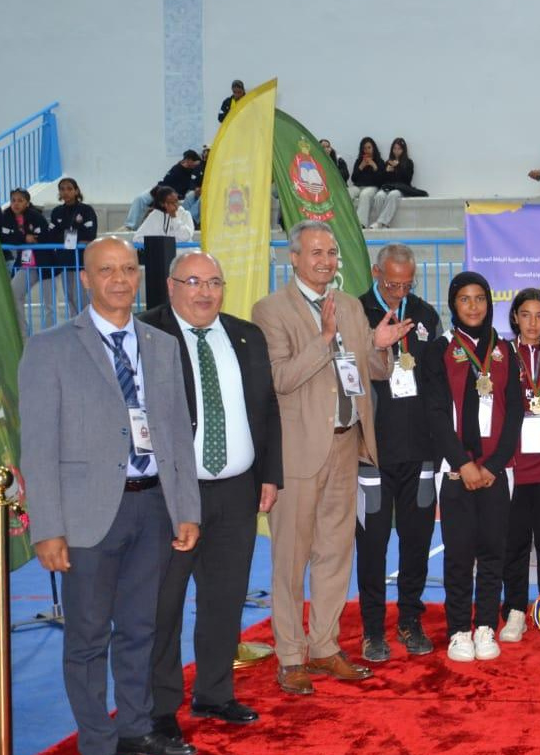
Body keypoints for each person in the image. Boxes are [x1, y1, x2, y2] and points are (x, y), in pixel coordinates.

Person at [18, 237, 201, 755]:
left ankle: (136, 728)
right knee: (87, 638)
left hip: (154, 509)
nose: (119, 280)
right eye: (106, 270)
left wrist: (186, 509)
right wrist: (48, 527)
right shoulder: (49, 347)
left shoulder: (161, 346)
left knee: (141, 629)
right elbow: (38, 446)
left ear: (139, 275)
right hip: (86, 518)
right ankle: (96, 741)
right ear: (86, 277)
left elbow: (175, 437)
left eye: (127, 269)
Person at [252, 221, 411, 694]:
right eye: (315, 252)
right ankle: (290, 655)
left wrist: (379, 349)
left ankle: (323, 646)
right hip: (298, 452)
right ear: (294, 257)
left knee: (335, 555)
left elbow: (367, 371)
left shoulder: (349, 306)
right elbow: (279, 378)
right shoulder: (270, 311)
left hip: (347, 445)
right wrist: (323, 341)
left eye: (331, 253)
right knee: (290, 559)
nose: (325, 261)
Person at [142, 252, 281, 743]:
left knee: (224, 599)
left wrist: (271, 473)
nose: (205, 292)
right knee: (164, 605)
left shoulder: (246, 334)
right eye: (194, 282)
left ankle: (215, 692)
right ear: (172, 285)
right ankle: (158, 708)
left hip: (239, 489)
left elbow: (266, 408)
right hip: (172, 496)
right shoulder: (147, 334)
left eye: (215, 282)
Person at [422, 272, 523, 662]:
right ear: (454, 304)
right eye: (465, 299)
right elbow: (434, 414)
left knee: (493, 552)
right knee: (459, 555)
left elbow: (514, 412)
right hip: (455, 470)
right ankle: (459, 630)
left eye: (480, 298)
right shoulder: (439, 350)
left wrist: (494, 465)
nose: (474, 306)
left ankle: (485, 626)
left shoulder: (505, 351)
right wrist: (463, 463)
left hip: (496, 471)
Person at [355, 244, 442, 662]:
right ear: (376, 273)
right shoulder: (354, 312)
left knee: (417, 541)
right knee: (372, 545)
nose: (397, 291)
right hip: (371, 452)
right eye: (391, 283)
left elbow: (437, 382)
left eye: (406, 283)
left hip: (420, 451)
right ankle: (373, 630)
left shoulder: (425, 314)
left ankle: (410, 619)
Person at [499, 288, 540, 643]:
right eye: (526, 314)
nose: (532, 322)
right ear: (514, 317)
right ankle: (514, 610)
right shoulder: (501, 356)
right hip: (514, 468)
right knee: (515, 544)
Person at [42, 177, 97, 318]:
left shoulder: (86, 210)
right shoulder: (57, 212)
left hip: (82, 261)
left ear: (76, 191)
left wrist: (65, 234)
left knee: (82, 298)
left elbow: (90, 234)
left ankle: (91, 327)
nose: (65, 192)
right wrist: (73, 234)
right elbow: (51, 235)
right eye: (62, 189)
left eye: (69, 188)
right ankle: (76, 329)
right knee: (70, 298)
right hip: (65, 260)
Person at [0, 187, 47, 334]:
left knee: (50, 303)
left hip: (46, 264)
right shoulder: (6, 216)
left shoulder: (36, 216)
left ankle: (53, 335)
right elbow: (5, 237)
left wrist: (20, 238)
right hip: (26, 265)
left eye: (20, 200)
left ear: (27, 202)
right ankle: (23, 333)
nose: (16, 204)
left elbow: (42, 236)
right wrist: (24, 238)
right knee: (14, 293)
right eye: (13, 200)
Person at [125, 150, 205, 230]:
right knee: (140, 198)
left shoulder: (197, 170)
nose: (187, 162)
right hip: (160, 189)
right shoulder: (177, 168)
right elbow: (165, 183)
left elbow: (192, 186)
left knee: (187, 198)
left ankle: (188, 224)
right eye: (186, 160)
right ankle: (131, 226)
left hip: (176, 196)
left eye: (191, 160)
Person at [369, 136, 415, 229]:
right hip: (388, 187)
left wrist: (398, 167)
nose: (396, 151)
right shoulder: (388, 162)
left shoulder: (409, 162)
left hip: (402, 188)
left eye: (399, 149)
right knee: (379, 196)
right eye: (394, 148)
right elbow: (382, 180)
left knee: (393, 195)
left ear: (403, 150)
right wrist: (386, 171)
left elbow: (407, 179)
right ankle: (384, 224)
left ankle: (380, 222)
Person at [133, 186, 197, 244]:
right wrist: (161, 242)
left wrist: (174, 217)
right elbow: (137, 238)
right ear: (162, 204)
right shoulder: (155, 215)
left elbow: (185, 237)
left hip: (184, 253)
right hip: (162, 254)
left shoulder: (185, 214)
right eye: (171, 202)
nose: (175, 205)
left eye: (176, 201)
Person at [350, 137, 385, 229]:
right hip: (358, 186)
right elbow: (354, 179)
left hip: (372, 187)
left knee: (365, 195)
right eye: (364, 148)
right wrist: (361, 166)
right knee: (347, 192)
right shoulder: (359, 161)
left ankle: (360, 225)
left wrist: (374, 166)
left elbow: (381, 180)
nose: (367, 150)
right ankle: (345, 221)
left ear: (373, 148)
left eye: (369, 148)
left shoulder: (379, 161)